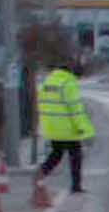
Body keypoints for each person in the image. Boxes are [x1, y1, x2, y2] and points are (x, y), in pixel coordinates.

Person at [35, 62, 93, 195]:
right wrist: (82, 128)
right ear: (70, 72)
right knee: (75, 156)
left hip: (52, 127)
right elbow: (75, 109)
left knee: (56, 154)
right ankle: (76, 185)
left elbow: (42, 106)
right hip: (68, 128)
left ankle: (40, 173)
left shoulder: (47, 83)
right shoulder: (68, 84)